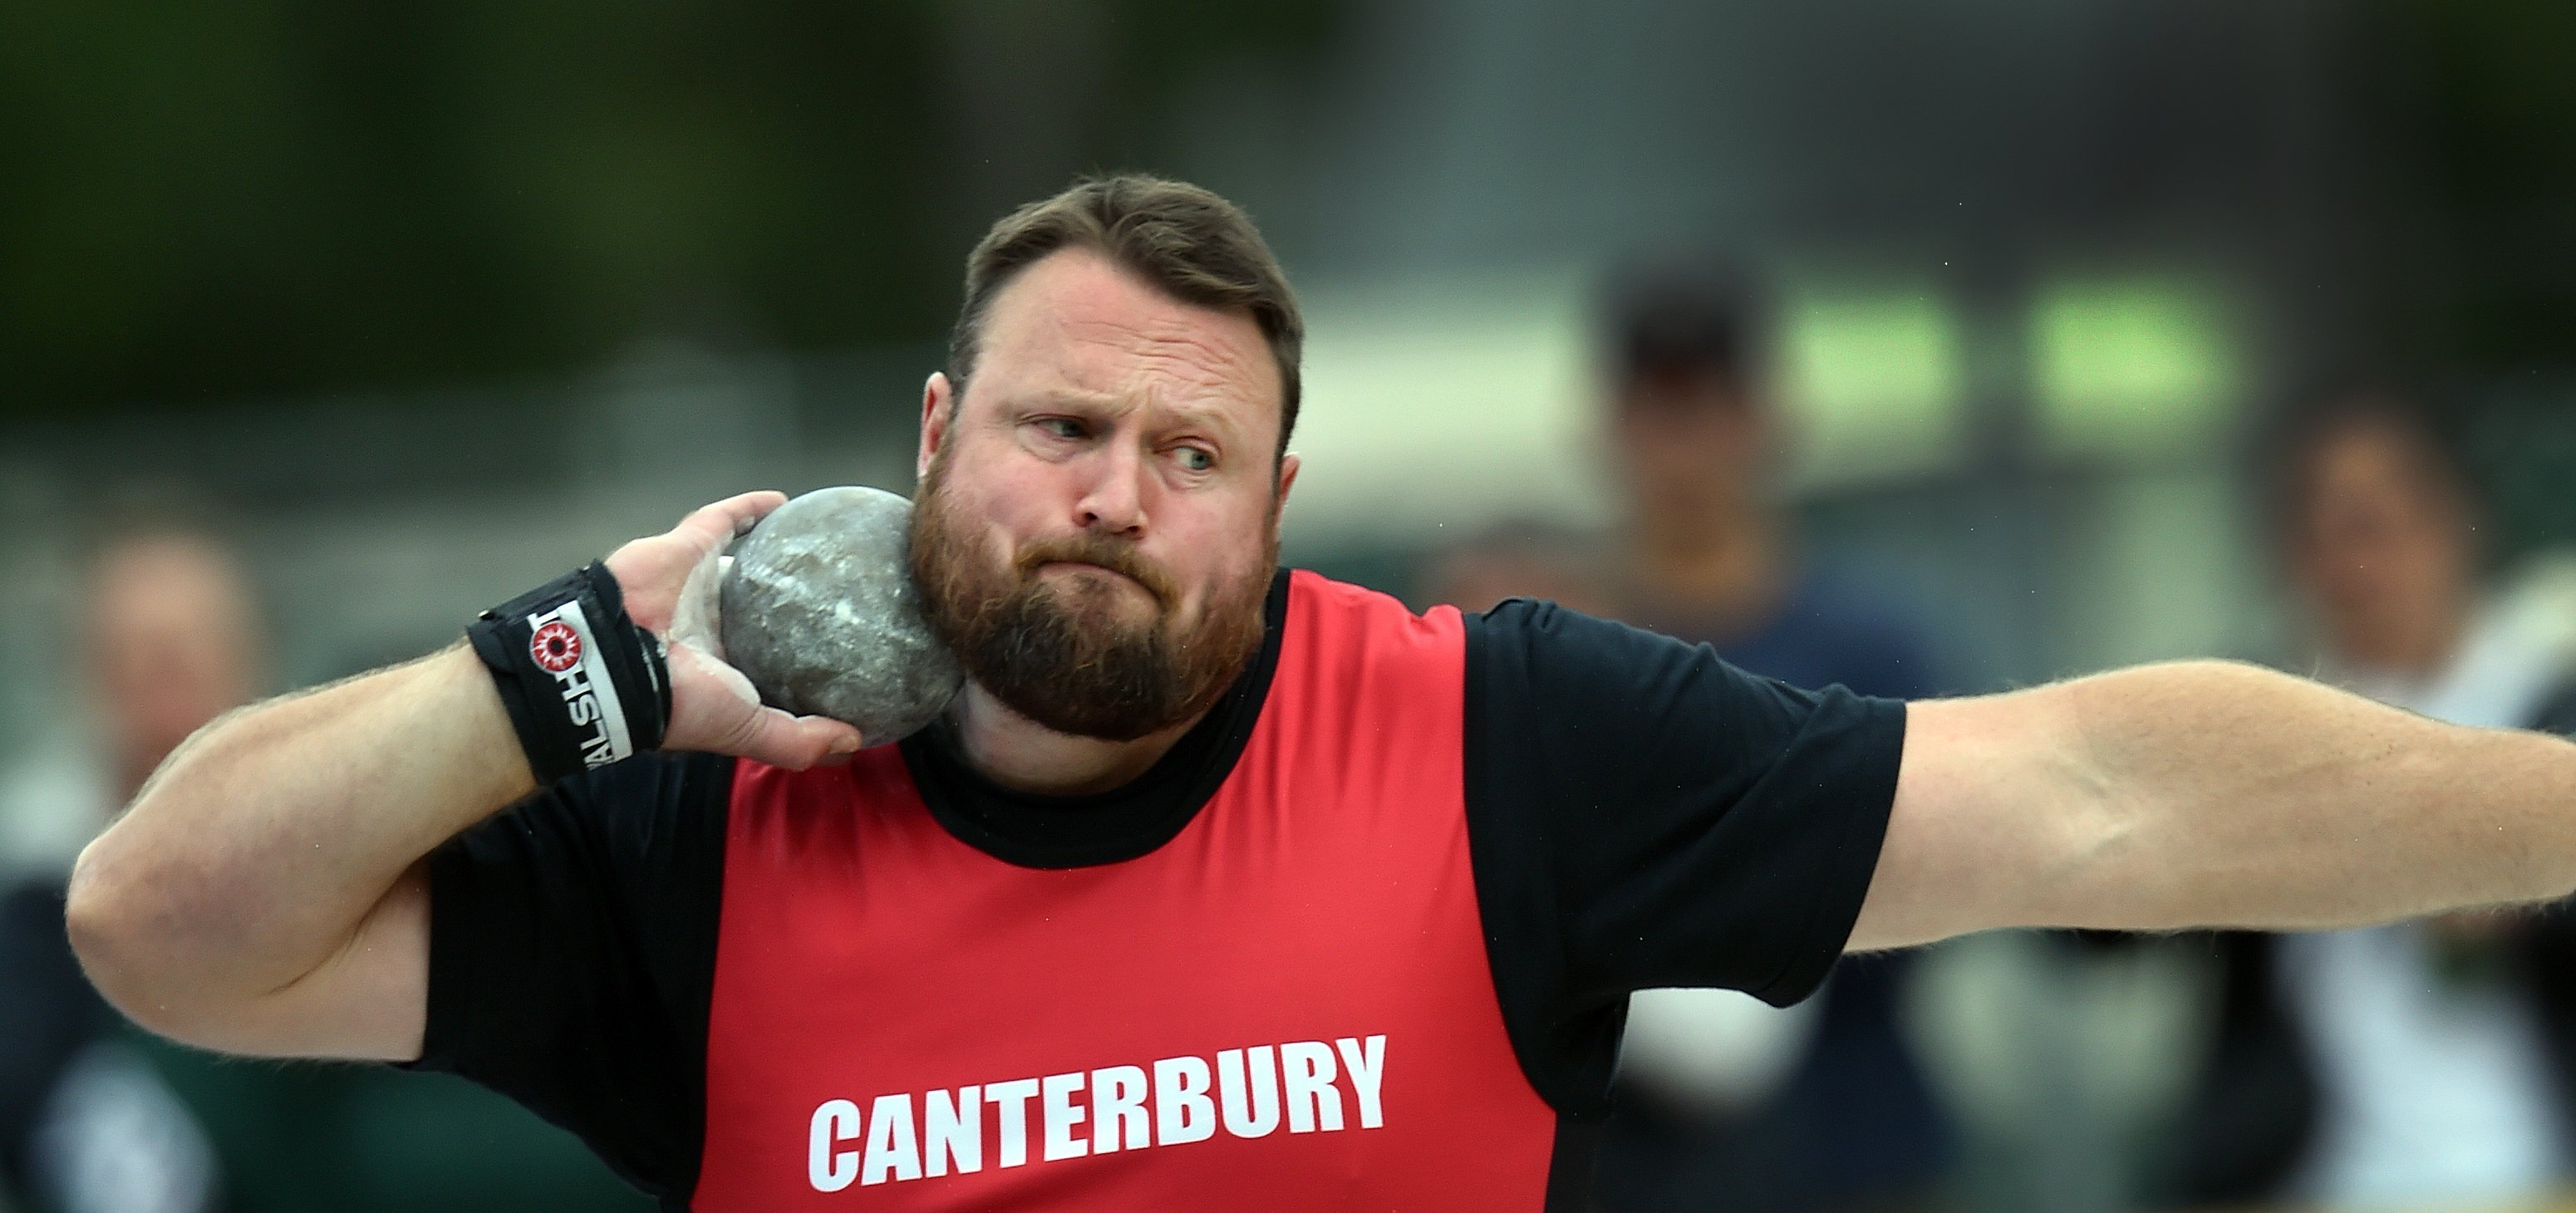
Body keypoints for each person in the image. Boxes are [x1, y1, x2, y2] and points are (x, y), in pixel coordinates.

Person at [60, 174, 2576, 1212]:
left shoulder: (1489, 741)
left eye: (1191, 452)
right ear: (935, 442)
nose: (1117, 493)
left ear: (1274, 503)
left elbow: (2104, 797)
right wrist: (572, 668)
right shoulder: (700, 826)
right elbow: (167, 925)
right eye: (1060, 428)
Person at [2151, 394, 2576, 1210]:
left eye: (2378, 524)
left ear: (2455, 521)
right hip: (2307, 1170)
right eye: (2321, 531)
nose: (2354, 564)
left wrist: (2524, 893)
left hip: (2536, 1158)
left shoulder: (2547, 697)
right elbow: (2084, 924)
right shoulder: (2253, 714)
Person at [1587, 261, 1950, 1212]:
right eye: (1656, 409)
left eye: (1705, 406)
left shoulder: (1868, 645)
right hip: (1629, 1163)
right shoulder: (1564, 652)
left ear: (1761, 418)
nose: (1683, 446)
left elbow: (1950, 872)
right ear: (1611, 426)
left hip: (1854, 1143)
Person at [2, 513, 238, 1213]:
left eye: (188, 651)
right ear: (91, 676)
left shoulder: (341, 891)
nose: (165, 686)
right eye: (138, 655)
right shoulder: (30, 915)